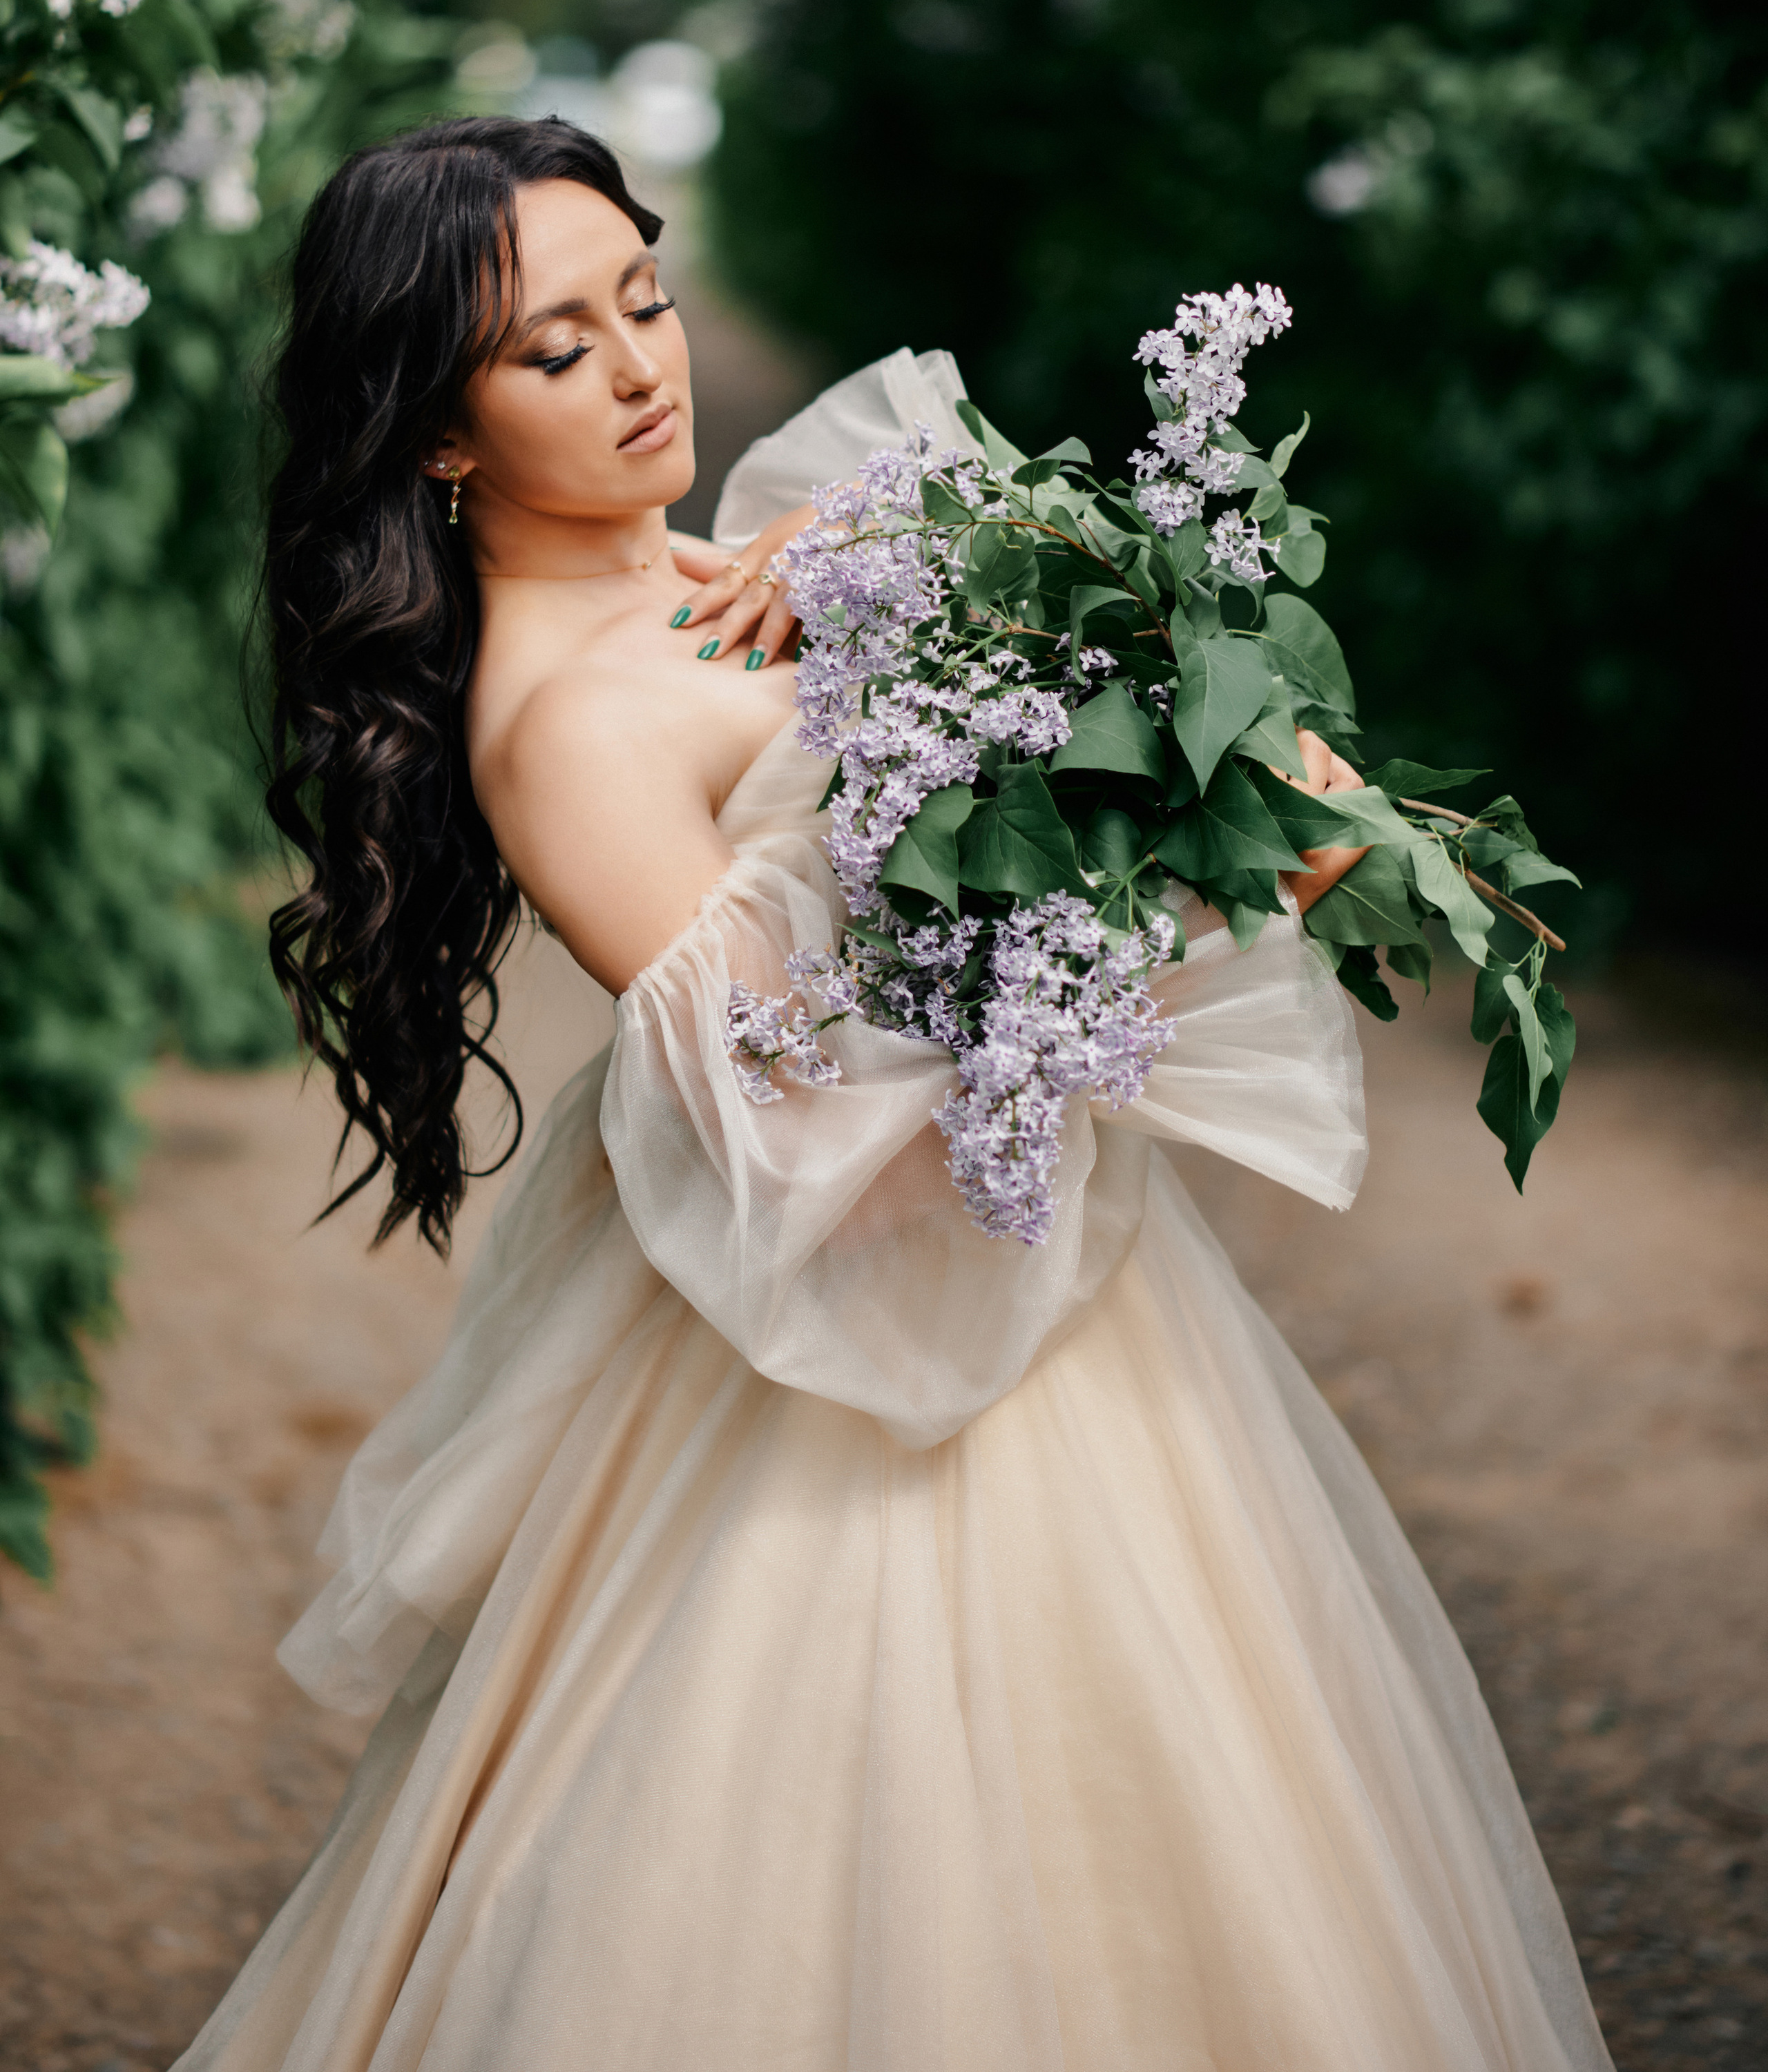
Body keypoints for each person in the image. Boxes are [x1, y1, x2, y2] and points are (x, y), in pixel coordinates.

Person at [172, 116, 1613, 2071]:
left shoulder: (724, 576)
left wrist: (982, 618)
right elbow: (809, 1148)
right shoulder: (575, 718)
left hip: (1017, 1299)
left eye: (647, 302)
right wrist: (1136, 907)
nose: (642, 367)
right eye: (554, 350)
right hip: (850, 1369)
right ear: (437, 428)